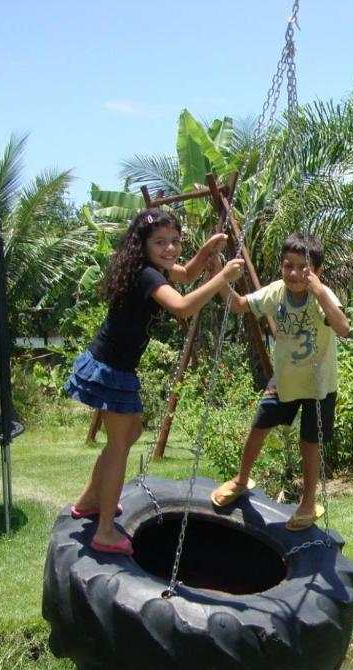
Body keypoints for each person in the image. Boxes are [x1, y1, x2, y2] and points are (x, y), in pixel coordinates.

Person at [66, 208, 244, 554]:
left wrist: (206, 252)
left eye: (175, 241)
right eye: (160, 242)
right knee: (120, 443)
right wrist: (222, 278)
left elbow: (187, 272)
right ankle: (104, 531)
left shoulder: (152, 269)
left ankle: (89, 500)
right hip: (110, 368)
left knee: (129, 433)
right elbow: (182, 307)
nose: (170, 248)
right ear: (142, 245)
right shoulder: (147, 275)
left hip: (114, 365)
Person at [211, 233, 349, 530]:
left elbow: (343, 327)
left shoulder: (322, 296)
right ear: (281, 266)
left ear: (318, 270)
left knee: (308, 443)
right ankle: (241, 479)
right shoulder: (276, 292)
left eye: (304, 267)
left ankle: (308, 501)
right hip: (285, 379)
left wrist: (321, 291)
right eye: (289, 266)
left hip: (318, 385)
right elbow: (236, 305)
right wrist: (218, 274)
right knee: (259, 425)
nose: (295, 273)